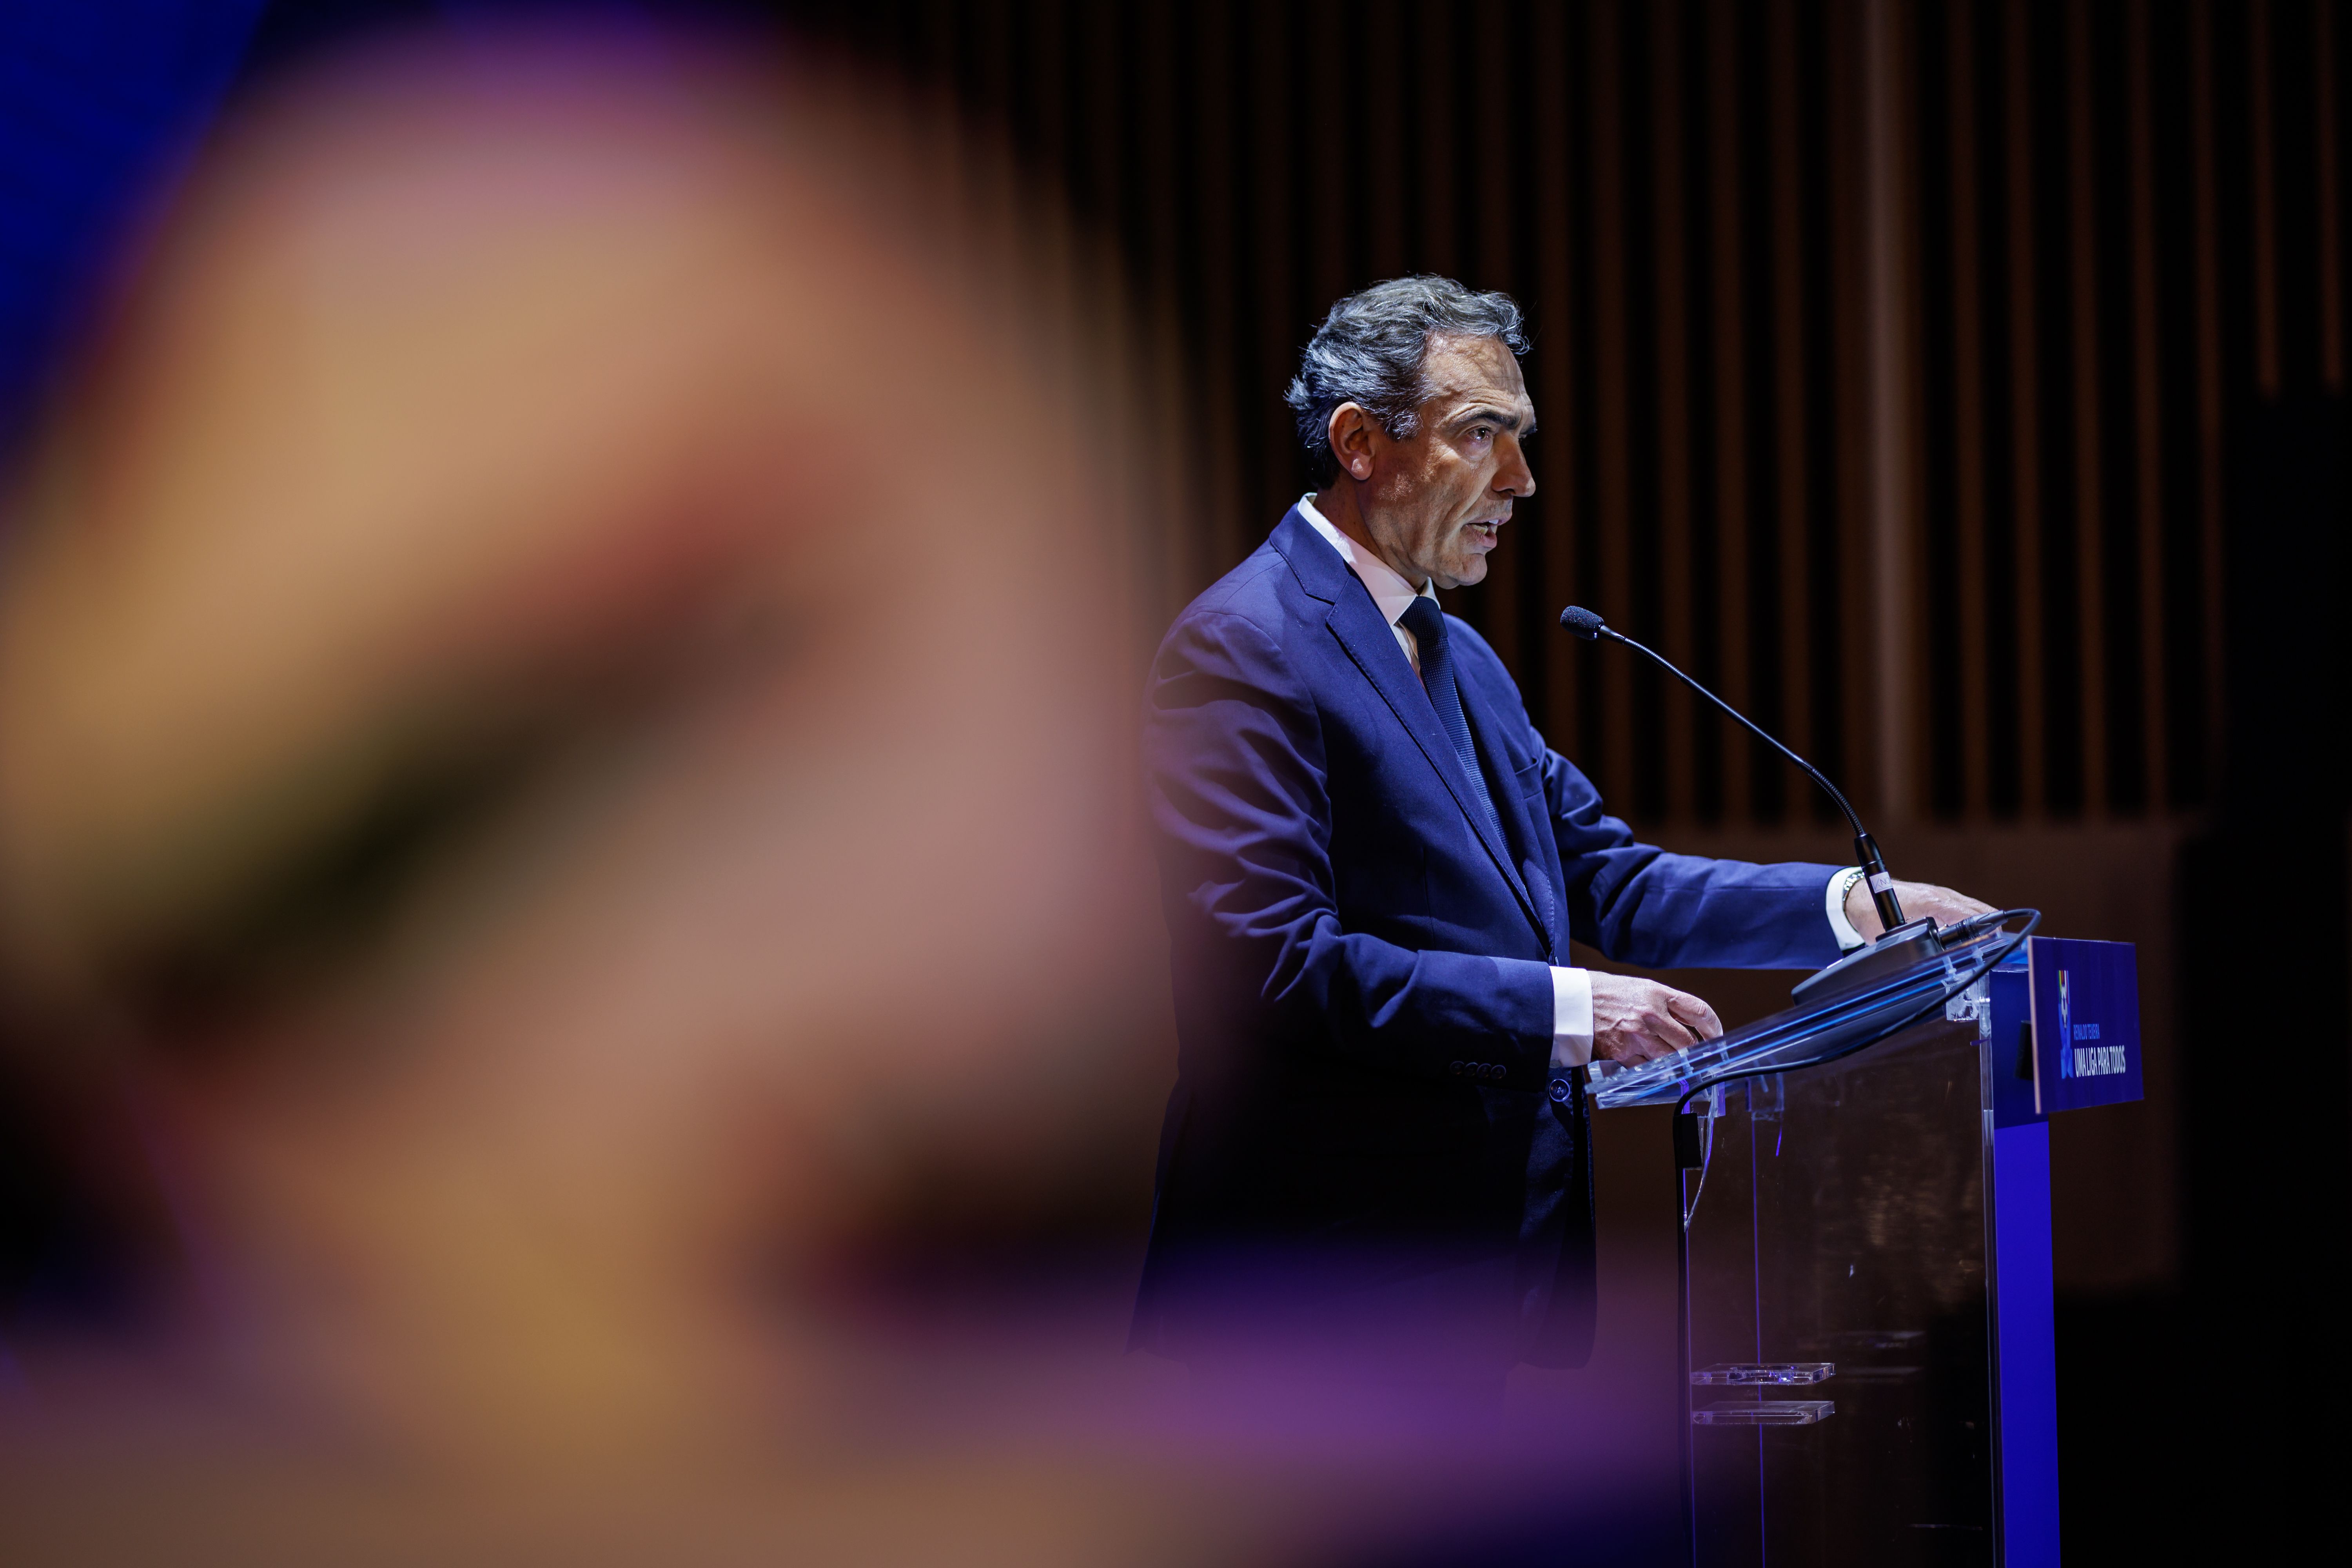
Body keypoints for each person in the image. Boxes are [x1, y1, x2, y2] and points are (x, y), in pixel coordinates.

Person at [1131, 276, 1992, 1385]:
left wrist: (1856, 908)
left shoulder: (1461, 657)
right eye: (1479, 434)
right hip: (1323, 1301)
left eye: (1521, 438)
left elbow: (1610, 880)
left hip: (1495, 1293)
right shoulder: (1242, 644)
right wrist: (1576, 1011)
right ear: (1358, 442)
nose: (1521, 479)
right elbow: (1273, 966)